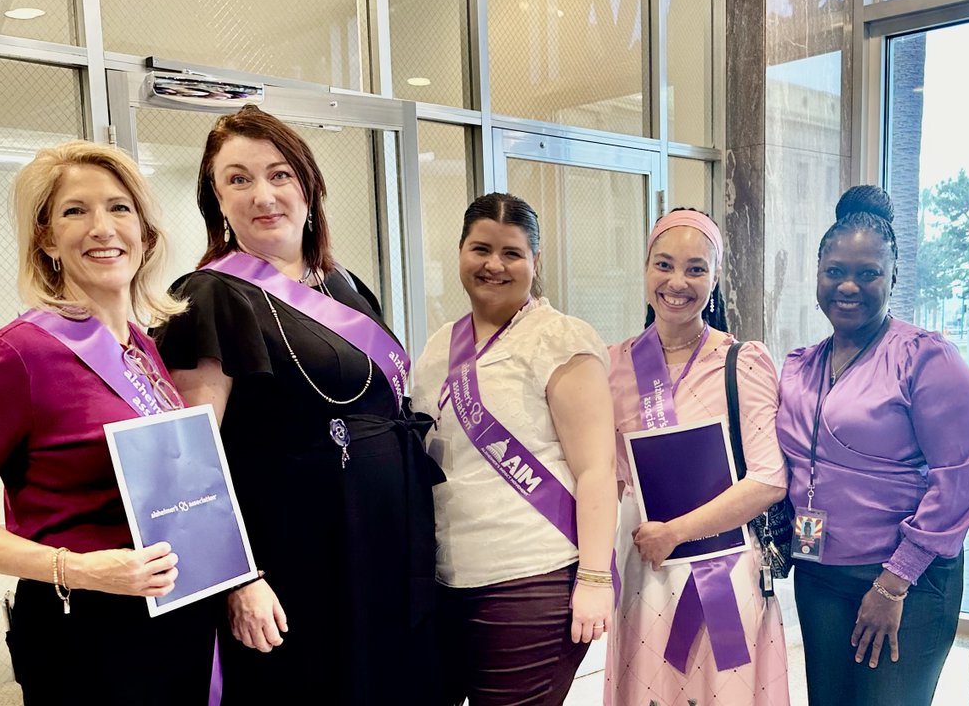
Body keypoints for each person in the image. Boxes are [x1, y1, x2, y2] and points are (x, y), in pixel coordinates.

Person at [0, 141, 215, 705]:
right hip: (84, 629)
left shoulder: (141, 348)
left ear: (145, 233)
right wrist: (80, 570)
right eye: (76, 211)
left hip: (171, 620)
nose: (102, 228)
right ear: (45, 237)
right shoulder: (17, 355)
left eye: (120, 208)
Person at [153, 105, 441, 705]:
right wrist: (237, 579)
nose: (263, 194)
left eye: (280, 174)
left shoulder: (344, 284)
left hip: (385, 549)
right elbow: (185, 464)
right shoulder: (210, 296)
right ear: (217, 200)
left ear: (309, 188)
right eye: (238, 179)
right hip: (294, 567)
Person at [777, 185, 969, 706]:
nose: (848, 286)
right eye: (835, 272)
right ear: (818, 275)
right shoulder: (800, 365)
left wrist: (894, 583)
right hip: (819, 573)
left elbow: (960, 478)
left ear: (893, 277)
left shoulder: (926, 359)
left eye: (867, 273)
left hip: (906, 582)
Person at [410, 192, 617, 706]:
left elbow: (596, 469)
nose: (494, 266)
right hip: (447, 579)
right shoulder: (439, 346)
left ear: (535, 262)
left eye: (512, 253)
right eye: (481, 249)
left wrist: (593, 579)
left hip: (532, 580)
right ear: (460, 252)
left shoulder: (562, 339)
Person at [605, 208, 791, 706]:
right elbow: (606, 478)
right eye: (663, 265)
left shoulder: (742, 361)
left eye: (695, 268)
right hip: (645, 570)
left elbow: (770, 479)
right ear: (645, 269)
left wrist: (678, 532)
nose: (677, 282)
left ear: (715, 279)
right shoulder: (612, 363)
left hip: (722, 572)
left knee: (718, 691)